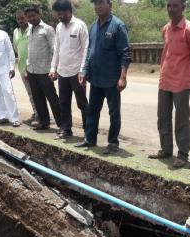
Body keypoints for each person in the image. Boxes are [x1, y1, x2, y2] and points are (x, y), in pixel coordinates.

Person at [148, 0, 190, 167]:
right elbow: (166, 54)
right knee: (163, 117)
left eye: (175, 6)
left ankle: (183, 154)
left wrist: (187, 74)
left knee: (181, 120)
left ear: (183, 7)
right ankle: (166, 150)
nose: (171, 9)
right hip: (165, 80)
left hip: (181, 82)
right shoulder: (166, 28)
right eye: (169, 6)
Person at [75, 0, 131, 154]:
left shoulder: (118, 26)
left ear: (109, 5)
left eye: (101, 3)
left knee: (114, 112)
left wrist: (123, 77)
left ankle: (113, 143)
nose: (98, 6)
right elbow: (89, 52)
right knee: (92, 110)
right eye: (96, 4)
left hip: (112, 80)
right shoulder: (93, 27)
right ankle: (90, 139)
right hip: (96, 78)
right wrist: (84, 71)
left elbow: (125, 54)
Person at [49, 0, 89, 139]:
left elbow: (85, 50)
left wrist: (83, 70)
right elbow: (57, 50)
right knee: (64, 102)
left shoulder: (80, 25)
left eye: (61, 14)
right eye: (57, 14)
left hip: (77, 73)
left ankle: (88, 132)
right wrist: (53, 68)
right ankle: (66, 129)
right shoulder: (59, 27)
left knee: (82, 103)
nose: (59, 16)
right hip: (62, 72)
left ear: (68, 11)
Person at [25, 5, 61, 130]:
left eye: (33, 16)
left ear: (39, 14)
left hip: (45, 71)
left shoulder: (48, 29)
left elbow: (54, 50)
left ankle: (62, 125)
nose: (31, 18)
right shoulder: (30, 29)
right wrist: (27, 67)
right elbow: (30, 49)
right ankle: (44, 122)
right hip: (32, 70)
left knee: (52, 98)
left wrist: (54, 69)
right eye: (29, 17)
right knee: (38, 98)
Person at [13, 9, 38, 125]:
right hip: (22, 68)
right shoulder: (16, 32)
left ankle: (41, 115)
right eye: (18, 19)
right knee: (30, 93)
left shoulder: (32, 29)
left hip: (33, 68)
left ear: (26, 18)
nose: (21, 20)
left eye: (23, 18)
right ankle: (36, 113)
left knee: (37, 93)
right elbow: (16, 48)